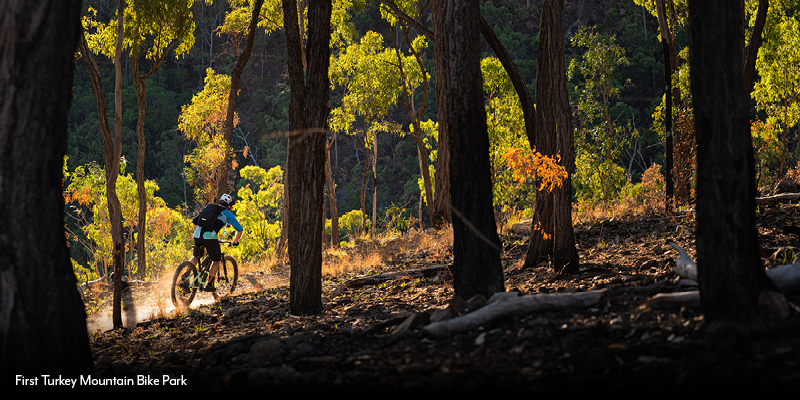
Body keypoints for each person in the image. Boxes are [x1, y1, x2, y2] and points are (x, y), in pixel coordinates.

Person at [190, 193, 244, 292]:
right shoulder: (227, 213)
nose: (231, 208)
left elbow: (194, 221)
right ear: (229, 206)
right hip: (210, 237)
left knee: (196, 256)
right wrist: (235, 241)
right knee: (216, 261)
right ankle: (210, 284)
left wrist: (198, 235)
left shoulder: (209, 208)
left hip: (197, 234)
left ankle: (184, 275)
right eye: (231, 206)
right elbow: (240, 229)